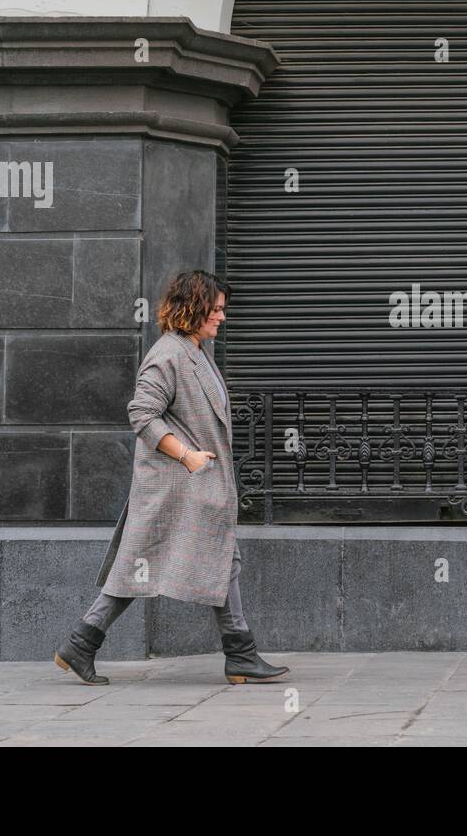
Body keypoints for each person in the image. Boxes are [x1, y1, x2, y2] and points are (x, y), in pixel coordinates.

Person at [54, 269, 289, 686]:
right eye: (215, 310)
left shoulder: (196, 351)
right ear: (193, 308)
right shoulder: (169, 354)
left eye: (222, 310)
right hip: (178, 487)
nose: (221, 318)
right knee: (143, 566)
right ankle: (238, 655)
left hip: (196, 488)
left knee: (211, 562)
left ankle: (84, 643)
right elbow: (141, 414)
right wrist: (187, 456)